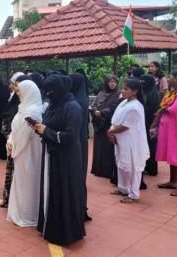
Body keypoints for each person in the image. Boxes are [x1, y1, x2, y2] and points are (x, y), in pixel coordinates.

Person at [33, 74, 86, 246]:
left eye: (51, 91)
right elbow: (48, 124)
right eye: (46, 91)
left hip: (66, 157)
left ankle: (65, 232)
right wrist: (38, 127)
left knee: (64, 191)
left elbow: (70, 136)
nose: (48, 94)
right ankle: (49, 225)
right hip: (52, 154)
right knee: (51, 190)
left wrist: (45, 131)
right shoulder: (54, 105)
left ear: (60, 89)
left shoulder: (73, 107)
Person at [6, 80, 43, 227]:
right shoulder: (23, 108)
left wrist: (13, 144)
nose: (18, 94)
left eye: (20, 92)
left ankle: (28, 214)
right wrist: (10, 140)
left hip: (28, 152)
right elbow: (16, 130)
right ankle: (20, 212)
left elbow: (25, 135)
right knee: (21, 182)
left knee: (28, 182)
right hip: (20, 152)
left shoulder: (33, 110)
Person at [108, 78, 150, 203]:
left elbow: (125, 126)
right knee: (121, 165)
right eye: (123, 88)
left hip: (132, 142)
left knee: (132, 167)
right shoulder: (124, 102)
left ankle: (133, 194)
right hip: (121, 139)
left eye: (126, 89)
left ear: (135, 91)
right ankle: (123, 188)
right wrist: (112, 130)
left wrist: (110, 132)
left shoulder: (135, 107)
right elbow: (116, 120)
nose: (123, 91)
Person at [0, 72, 25, 208]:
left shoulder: (28, 105)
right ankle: (9, 199)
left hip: (21, 147)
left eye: (16, 85)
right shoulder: (14, 101)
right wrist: (10, 137)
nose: (14, 88)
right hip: (12, 144)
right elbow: (6, 120)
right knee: (12, 173)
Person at [69, 72, 91, 220]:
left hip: (76, 142)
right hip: (80, 141)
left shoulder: (76, 102)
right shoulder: (81, 99)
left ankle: (77, 209)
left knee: (76, 175)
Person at [91, 75, 121, 181]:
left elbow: (115, 108)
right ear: (106, 83)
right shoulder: (101, 93)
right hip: (99, 124)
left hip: (108, 123)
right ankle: (98, 169)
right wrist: (95, 111)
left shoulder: (118, 94)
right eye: (110, 82)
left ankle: (107, 171)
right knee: (99, 147)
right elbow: (93, 105)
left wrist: (102, 112)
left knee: (107, 148)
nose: (113, 84)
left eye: (114, 82)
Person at [140, 74, 160, 176]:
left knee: (151, 145)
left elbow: (151, 110)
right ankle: (148, 167)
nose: (142, 84)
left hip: (151, 123)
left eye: (144, 82)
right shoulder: (149, 91)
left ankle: (152, 168)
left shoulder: (153, 94)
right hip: (147, 123)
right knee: (147, 144)